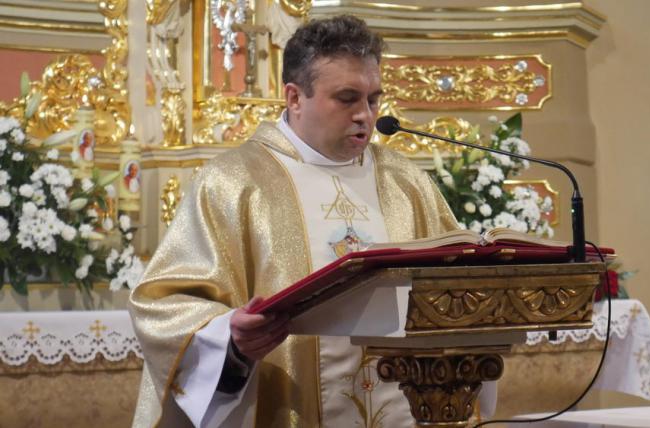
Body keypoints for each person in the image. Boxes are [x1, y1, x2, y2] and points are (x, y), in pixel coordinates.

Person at [128, 15, 460, 427]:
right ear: (294, 97)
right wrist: (230, 338)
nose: (365, 115)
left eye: (373, 99)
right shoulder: (233, 182)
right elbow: (162, 306)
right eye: (347, 98)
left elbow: (455, 286)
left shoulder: (405, 182)